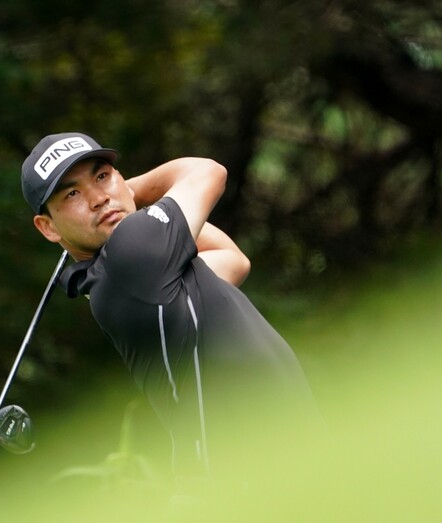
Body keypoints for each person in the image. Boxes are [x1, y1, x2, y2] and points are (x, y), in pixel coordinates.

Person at [21, 132, 325, 483]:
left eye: (102, 176)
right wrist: (131, 192)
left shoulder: (126, 275)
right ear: (47, 228)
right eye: (72, 193)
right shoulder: (130, 252)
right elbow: (207, 172)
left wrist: (125, 203)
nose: (97, 197)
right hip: (243, 477)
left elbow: (232, 260)